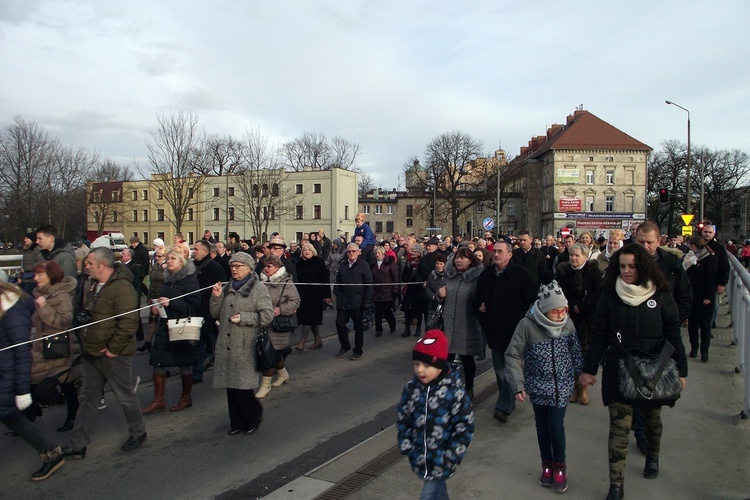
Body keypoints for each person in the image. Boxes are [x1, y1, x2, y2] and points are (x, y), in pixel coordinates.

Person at [579, 244, 688, 500]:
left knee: (652, 421)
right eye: (622, 266)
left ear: (643, 266)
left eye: (632, 266)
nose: (627, 271)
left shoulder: (661, 294)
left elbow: (674, 334)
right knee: (619, 428)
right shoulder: (609, 295)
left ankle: (652, 455)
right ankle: (616, 486)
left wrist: (682, 371)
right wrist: (589, 369)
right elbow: (598, 335)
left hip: (652, 370)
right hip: (619, 367)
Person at [63, 247, 146, 458]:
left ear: (102, 265)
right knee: (88, 398)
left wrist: (113, 349)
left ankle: (138, 432)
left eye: (89, 263)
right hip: (92, 352)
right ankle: (77, 443)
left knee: (125, 396)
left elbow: (129, 323)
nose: (86, 266)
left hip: (114, 355)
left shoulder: (123, 288)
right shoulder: (92, 285)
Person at [505, 280, 583, 493]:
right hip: (537, 386)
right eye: (556, 311)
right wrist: (517, 385)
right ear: (545, 310)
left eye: (563, 310)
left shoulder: (567, 324)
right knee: (542, 426)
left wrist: (582, 375)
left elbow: (575, 351)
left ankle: (560, 467)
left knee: (555, 427)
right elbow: (512, 354)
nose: (561, 315)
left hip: (562, 386)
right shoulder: (527, 325)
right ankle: (546, 465)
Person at [396, 329, 474, 500]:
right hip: (420, 455)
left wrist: (452, 455)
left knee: (428, 495)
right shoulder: (412, 388)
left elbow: (464, 426)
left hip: (442, 458)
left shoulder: (454, 392)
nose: (420, 370)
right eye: (416, 364)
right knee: (439, 493)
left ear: (439, 366)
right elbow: (403, 416)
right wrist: (406, 443)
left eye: (426, 365)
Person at [1, 282, 67, 481]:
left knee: (14, 419)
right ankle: (51, 453)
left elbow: (22, 354)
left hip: (7, 377)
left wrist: (22, 391)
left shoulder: (13, 313)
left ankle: (51, 454)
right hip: (4, 375)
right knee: (13, 419)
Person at [210, 252, 274, 434]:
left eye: (238, 266)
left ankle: (253, 416)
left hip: (245, 344)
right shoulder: (227, 287)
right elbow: (215, 313)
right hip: (226, 344)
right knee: (231, 387)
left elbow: (267, 315)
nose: (234, 269)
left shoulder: (258, 288)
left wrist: (244, 318)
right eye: (232, 266)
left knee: (243, 387)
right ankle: (236, 423)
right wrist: (216, 297)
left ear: (248, 268)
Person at [474, 241, 537, 422]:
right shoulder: (486, 275)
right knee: (499, 369)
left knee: (509, 369)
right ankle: (508, 398)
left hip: (515, 332)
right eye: (494, 251)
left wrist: (524, 325)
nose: (496, 254)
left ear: (509, 254)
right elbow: (477, 301)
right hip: (494, 331)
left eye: (500, 251)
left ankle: (504, 405)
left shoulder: (521, 275)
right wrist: (482, 315)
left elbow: (532, 302)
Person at [142, 248, 201, 414]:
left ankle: (186, 397)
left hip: (181, 327)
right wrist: (158, 307)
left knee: (184, 364)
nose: (169, 261)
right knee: (158, 362)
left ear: (182, 261)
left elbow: (194, 306)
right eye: (168, 258)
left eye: (173, 258)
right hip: (164, 325)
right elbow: (164, 299)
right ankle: (159, 399)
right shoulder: (167, 279)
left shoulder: (189, 280)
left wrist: (171, 304)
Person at [30, 261, 80, 432]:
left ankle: (73, 415)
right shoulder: (39, 294)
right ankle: (30, 414)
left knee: (65, 381)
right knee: (33, 381)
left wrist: (43, 308)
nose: (35, 278)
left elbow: (64, 322)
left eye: (39, 275)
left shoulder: (60, 295)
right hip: (42, 346)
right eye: (34, 274)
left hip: (58, 346)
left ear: (50, 275)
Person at [554, 243, 603, 405]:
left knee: (583, 352)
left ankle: (583, 388)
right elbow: (558, 291)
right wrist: (570, 304)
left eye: (577, 255)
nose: (573, 258)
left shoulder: (593, 271)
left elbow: (598, 293)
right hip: (567, 317)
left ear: (585, 257)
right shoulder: (563, 271)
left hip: (587, 318)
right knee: (568, 354)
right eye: (571, 255)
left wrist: (581, 306)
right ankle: (573, 387)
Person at [436, 247, 485, 398]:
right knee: (447, 359)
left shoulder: (478, 278)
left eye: (463, 258)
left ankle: (469, 387)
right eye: (457, 257)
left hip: (467, 323)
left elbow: (482, 298)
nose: (458, 260)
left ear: (471, 261)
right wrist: (439, 294)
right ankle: (446, 387)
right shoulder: (449, 276)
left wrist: (483, 304)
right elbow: (439, 296)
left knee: (467, 359)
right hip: (449, 324)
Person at [257, 256, 300, 398]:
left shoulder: (286, 282)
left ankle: (265, 385)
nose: (266, 269)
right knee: (274, 352)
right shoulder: (261, 281)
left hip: (278, 323)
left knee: (269, 353)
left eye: (270, 266)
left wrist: (280, 309)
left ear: (277, 267)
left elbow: (295, 301)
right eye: (265, 266)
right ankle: (283, 374)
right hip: (263, 322)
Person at [635, 222, 693, 323]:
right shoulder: (622, 262)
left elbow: (685, 294)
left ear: (658, 241)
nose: (645, 247)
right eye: (641, 242)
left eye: (649, 242)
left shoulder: (672, 263)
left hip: (663, 324)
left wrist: (675, 321)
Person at [192, 240, 227, 383]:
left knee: (217, 342)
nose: (194, 252)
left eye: (196, 249)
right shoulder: (193, 268)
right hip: (196, 312)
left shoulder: (215, 268)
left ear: (205, 252)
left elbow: (223, 290)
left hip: (210, 313)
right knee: (197, 343)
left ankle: (226, 368)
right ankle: (197, 371)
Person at [334, 243, 373, 360]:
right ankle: (345, 346)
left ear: (358, 252)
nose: (351, 253)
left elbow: (369, 284)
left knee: (358, 327)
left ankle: (358, 350)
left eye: (354, 251)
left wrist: (367, 301)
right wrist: (338, 293)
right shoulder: (343, 265)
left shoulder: (364, 266)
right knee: (340, 323)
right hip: (344, 301)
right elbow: (338, 281)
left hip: (358, 301)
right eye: (349, 251)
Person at [683, 235, 718, 361]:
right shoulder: (690, 258)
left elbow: (711, 279)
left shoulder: (709, 259)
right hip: (692, 296)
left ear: (693, 246)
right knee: (692, 324)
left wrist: (708, 296)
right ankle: (694, 348)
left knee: (705, 325)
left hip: (704, 297)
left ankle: (704, 351)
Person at [295, 243, 331, 350]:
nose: (306, 251)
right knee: (312, 319)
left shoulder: (318, 262)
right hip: (302, 294)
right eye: (304, 250)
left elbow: (324, 279)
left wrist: (327, 295)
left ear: (313, 251)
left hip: (315, 295)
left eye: (309, 250)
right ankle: (317, 339)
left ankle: (302, 341)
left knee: (308, 317)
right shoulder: (299, 263)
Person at [138, 246, 167, 352]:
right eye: (156, 255)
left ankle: (161, 345)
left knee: (163, 322)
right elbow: (151, 283)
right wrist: (149, 296)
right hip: (154, 297)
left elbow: (166, 283)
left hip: (161, 298)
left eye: (160, 256)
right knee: (152, 321)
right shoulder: (155, 266)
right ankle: (148, 342)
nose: (158, 257)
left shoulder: (167, 267)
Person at [701, 222, 729, 329]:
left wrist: (722, 283)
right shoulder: (697, 246)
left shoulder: (719, 248)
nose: (707, 234)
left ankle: (710, 323)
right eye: (705, 232)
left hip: (714, 281)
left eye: (709, 232)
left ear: (714, 234)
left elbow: (724, 266)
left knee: (714, 304)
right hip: (699, 281)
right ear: (702, 233)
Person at [370, 246, 399, 337]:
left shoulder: (390, 263)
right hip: (377, 291)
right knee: (377, 312)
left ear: (383, 254)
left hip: (387, 291)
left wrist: (395, 290)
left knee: (387, 310)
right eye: (376, 253)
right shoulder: (373, 264)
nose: (377, 255)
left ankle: (392, 324)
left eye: (379, 253)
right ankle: (378, 329)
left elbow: (395, 277)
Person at [401, 243, 425, 338]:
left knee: (418, 310)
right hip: (409, 288)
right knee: (407, 310)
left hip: (418, 289)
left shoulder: (422, 262)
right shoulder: (408, 262)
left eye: (414, 251)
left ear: (419, 252)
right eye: (412, 251)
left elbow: (422, 275)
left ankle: (418, 328)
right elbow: (404, 275)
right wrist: (407, 278)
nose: (412, 253)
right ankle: (407, 329)